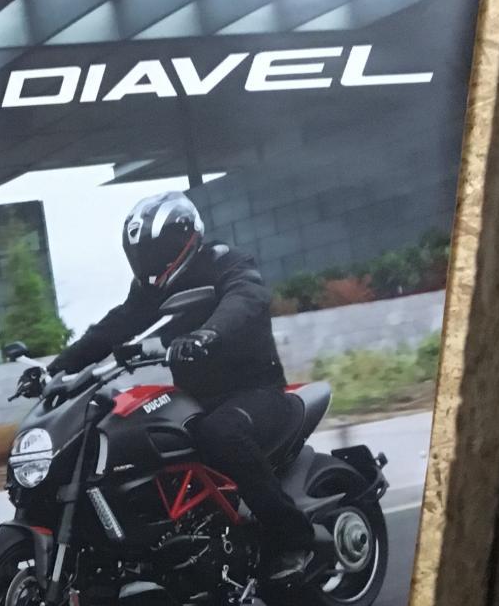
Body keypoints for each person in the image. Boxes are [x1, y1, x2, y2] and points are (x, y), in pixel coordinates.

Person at [45, 191, 316, 581]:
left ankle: (294, 538)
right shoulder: (150, 291)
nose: (150, 263)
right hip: (196, 401)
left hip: (256, 393)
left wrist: (208, 334)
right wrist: (56, 369)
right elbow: (115, 325)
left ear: (186, 238)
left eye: (157, 251)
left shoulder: (226, 262)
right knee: (132, 438)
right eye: (143, 254)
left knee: (221, 433)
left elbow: (246, 298)